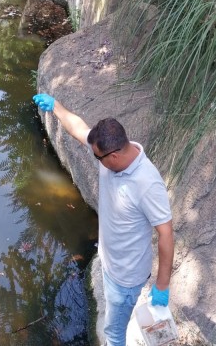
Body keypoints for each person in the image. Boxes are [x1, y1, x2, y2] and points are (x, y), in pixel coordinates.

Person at [32, 93, 174, 346]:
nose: (95, 160)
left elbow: (166, 233)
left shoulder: (147, 184)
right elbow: (80, 129)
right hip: (110, 262)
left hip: (126, 277)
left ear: (114, 157)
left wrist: (162, 286)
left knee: (113, 333)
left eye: (98, 158)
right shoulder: (112, 152)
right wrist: (56, 106)